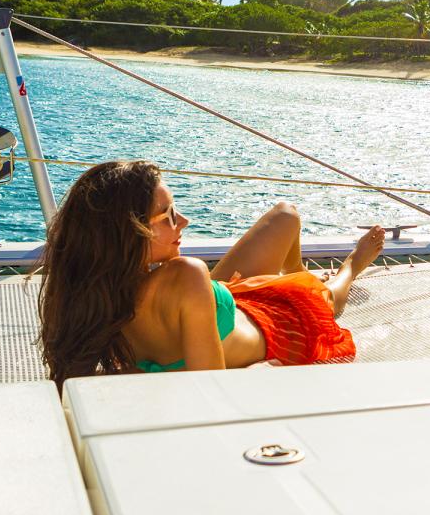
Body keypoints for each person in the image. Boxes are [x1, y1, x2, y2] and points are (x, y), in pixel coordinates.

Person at [38, 160, 386, 387]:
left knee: (285, 215)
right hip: (279, 323)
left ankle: (294, 271)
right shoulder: (187, 274)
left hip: (229, 299)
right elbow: (212, 398)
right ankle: (351, 265)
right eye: (169, 216)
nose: (184, 221)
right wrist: (255, 375)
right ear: (130, 232)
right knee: (324, 295)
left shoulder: (90, 298)